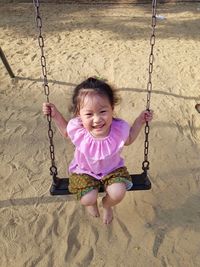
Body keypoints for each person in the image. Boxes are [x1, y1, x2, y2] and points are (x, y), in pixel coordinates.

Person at [42, 77, 153, 224]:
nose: (97, 119)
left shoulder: (118, 129)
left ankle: (107, 205)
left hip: (113, 170)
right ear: (79, 114)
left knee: (118, 193)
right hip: (84, 170)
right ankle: (92, 203)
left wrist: (140, 120)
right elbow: (66, 132)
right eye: (89, 114)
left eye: (102, 111)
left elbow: (130, 138)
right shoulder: (78, 129)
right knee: (87, 198)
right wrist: (55, 115)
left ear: (112, 108)